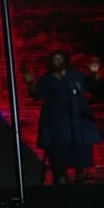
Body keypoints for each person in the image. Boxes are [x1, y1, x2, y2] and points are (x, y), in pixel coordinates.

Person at [24, 51, 101, 185]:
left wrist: (94, 74)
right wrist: (30, 83)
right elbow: (36, 95)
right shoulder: (46, 80)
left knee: (80, 165)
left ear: (65, 60)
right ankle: (61, 191)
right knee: (59, 168)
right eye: (55, 58)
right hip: (56, 128)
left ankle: (80, 189)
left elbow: (93, 87)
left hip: (78, 126)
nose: (58, 61)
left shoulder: (76, 76)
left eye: (60, 58)